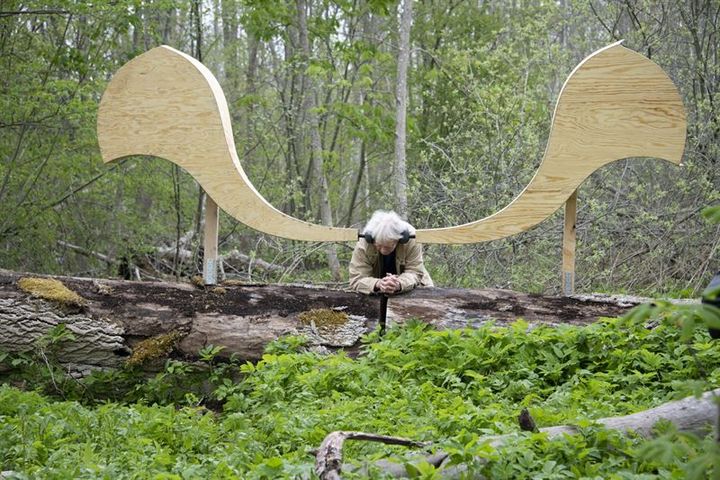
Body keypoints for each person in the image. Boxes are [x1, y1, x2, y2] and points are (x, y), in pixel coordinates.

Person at [349, 210, 433, 294]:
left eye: (388, 247)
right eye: (378, 246)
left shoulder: (412, 239)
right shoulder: (363, 243)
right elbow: (357, 278)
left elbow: (414, 272)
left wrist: (398, 284)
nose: (383, 250)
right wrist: (378, 284)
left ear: (399, 239)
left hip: (412, 289)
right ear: (372, 239)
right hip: (375, 293)